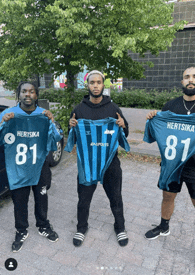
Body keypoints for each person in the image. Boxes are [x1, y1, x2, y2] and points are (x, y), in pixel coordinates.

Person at [144, 67, 195, 273]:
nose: (190, 80)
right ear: (182, 81)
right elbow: (158, 128)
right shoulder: (171, 105)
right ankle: (163, 226)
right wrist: (153, 117)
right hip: (171, 164)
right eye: (187, 77)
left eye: (194, 77)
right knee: (167, 197)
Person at [68, 70, 129, 247]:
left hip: (110, 163)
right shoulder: (79, 109)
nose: (95, 86)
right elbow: (71, 137)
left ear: (104, 85)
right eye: (92, 82)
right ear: (87, 85)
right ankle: (81, 228)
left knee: (116, 197)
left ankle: (120, 227)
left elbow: (124, 135)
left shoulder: (113, 108)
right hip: (87, 164)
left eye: (98, 82)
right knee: (84, 199)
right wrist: (70, 126)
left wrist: (123, 125)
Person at [0, 81, 61, 252]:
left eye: (32, 91)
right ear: (18, 94)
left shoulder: (44, 114)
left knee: (41, 198)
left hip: (39, 165)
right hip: (17, 167)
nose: (28, 94)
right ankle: (21, 230)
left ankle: (43, 225)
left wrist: (52, 120)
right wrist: (2, 124)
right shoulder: (8, 114)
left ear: (36, 95)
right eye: (24, 91)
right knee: (20, 201)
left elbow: (55, 139)